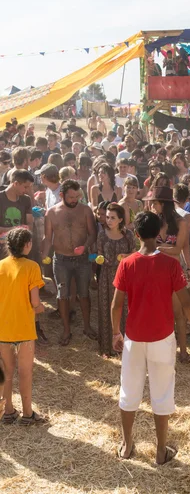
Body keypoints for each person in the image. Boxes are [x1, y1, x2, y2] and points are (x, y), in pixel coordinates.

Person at [111, 211, 190, 462]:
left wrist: (115, 333)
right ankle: (161, 450)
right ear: (160, 234)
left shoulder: (127, 263)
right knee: (162, 393)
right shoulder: (171, 265)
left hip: (133, 337)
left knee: (129, 391)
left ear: (137, 234)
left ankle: (127, 445)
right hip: (162, 338)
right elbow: (187, 304)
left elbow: (116, 305)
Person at [42, 180, 97, 345]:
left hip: (82, 260)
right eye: (71, 196)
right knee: (62, 295)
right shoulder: (51, 213)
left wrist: (86, 247)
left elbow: (93, 234)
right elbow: (47, 238)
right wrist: (44, 255)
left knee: (84, 294)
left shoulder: (86, 210)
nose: (75, 199)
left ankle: (87, 327)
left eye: (77, 196)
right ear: (62, 195)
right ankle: (66, 330)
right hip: (61, 260)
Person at [0, 228, 45, 425]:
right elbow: (34, 301)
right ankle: (28, 414)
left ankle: (8, 411)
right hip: (25, 330)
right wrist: (40, 308)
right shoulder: (32, 266)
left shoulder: (0, 266)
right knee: (25, 373)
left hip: (3, 329)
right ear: (27, 245)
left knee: (6, 373)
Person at [145, 186, 190, 363]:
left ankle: (183, 351)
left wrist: (156, 248)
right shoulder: (152, 220)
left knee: (178, 313)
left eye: (154, 203)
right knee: (156, 312)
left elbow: (178, 249)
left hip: (173, 271)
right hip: (154, 271)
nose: (151, 206)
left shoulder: (181, 222)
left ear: (162, 204)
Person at [97, 203, 135, 357]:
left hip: (124, 277)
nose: (109, 220)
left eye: (113, 217)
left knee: (125, 310)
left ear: (120, 219)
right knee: (106, 308)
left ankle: (125, 346)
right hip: (106, 276)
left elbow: (134, 255)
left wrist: (125, 258)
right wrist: (99, 259)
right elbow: (98, 254)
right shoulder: (102, 234)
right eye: (107, 217)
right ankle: (107, 348)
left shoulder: (129, 235)